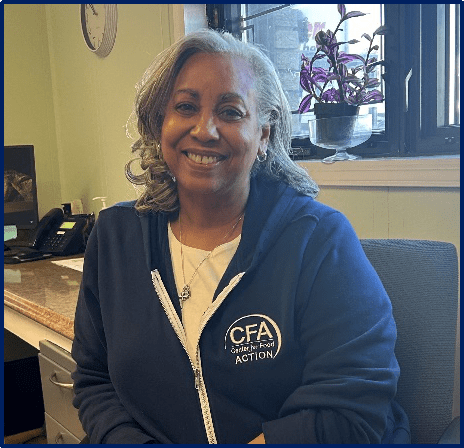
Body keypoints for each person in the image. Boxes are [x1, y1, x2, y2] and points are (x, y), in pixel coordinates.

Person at [71, 29, 410, 444]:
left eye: (230, 112)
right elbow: (94, 380)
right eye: (185, 106)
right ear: (160, 124)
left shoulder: (319, 240)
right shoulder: (113, 238)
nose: (205, 129)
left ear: (263, 134)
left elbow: (353, 406)